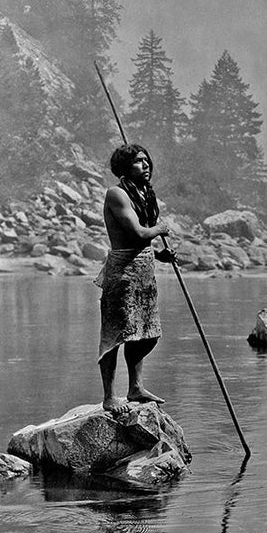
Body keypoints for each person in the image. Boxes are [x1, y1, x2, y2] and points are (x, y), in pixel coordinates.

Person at [96, 143, 175, 413]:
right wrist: (159, 228)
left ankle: (136, 387)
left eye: (147, 161)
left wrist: (161, 256)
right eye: (139, 162)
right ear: (124, 168)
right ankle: (109, 397)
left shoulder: (144, 194)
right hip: (122, 273)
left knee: (145, 334)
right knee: (116, 334)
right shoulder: (117, 194)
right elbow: (137, 233)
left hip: (143, 270)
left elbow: (143, 242)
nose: (146, 166)